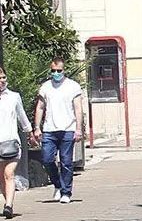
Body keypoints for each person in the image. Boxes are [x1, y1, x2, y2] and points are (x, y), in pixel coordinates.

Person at [34, 57, 83, 205]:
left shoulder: (73, 86)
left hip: (68, 129)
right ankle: (57, 185)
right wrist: (37, 127)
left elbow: (78, 108)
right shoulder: (46, 87)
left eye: (59, 71)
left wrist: (79, 129)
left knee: (66, 162)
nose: (56, 73)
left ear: (64, 70)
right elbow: (40, 107)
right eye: (53, 71)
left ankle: (66, 192)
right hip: (49, 129)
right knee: (47, 159)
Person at [0, 67, 35, 219]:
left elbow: (22, 118)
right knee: (1, 177)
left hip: (11, 142)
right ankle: (6, 200)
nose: (2, 81)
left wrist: (30, 134)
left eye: (3, 77)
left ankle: (9, 205)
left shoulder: (14, 97)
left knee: (9, 174)